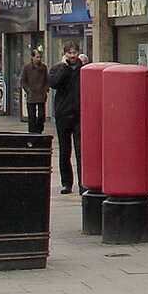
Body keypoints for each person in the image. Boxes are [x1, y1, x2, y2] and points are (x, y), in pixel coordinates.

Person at [47, 44, 85, 193]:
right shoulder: (57, 69)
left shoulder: (83, 69)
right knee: (64, 150)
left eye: (75, 52)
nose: (72, 55)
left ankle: (83, 184)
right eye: (69, 53)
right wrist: (63, 67)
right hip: (63, 114)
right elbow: (54, 84)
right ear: (64, 54)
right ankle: (67, 183)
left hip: (79, 113)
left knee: (80, 150)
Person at [21, 48, 51, 135]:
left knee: (41, 115)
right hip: (32, 95)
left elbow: (47, 79)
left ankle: (39, 130)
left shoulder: (43, 67)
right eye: (37, 57)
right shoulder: (27, 68)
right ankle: (32, 132)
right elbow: (23, 80)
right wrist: (28, 90)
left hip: (41, 94)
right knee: (32, 116)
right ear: (32, 57)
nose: (39, 59)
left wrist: (46, 88)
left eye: (40, 57)